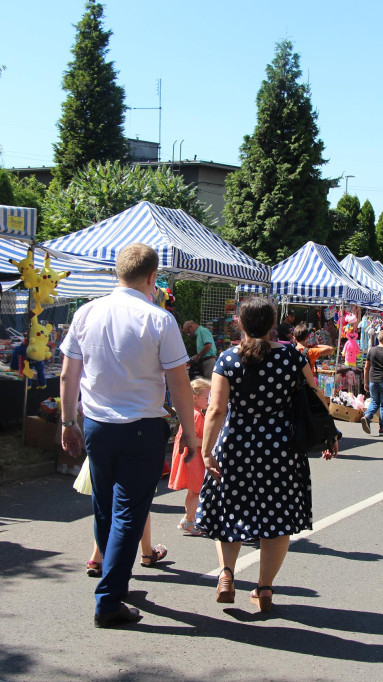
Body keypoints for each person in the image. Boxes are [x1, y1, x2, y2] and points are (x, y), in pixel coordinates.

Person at [59, 243, 198, 629]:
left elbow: (69, 373)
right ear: (153, 278)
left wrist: (68, 422)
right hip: (141, 427)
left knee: (105, 507)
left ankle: (113, 578)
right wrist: (188, 430)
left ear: (117, 274)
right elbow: (179, 382)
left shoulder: (86, 312)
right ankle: (109, 598)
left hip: (97, 426)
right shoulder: (159, 319)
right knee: (129, 511)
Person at [195, 297, 337, 612]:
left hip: (236, 446)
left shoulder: (227, 359)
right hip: (281, 448)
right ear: (273, 324)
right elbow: (314, 398)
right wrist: (329, 435)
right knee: (277, 519)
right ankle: (265, 588)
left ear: (240, 323)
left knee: (230, 510)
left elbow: (216, 409)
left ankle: (227, 575)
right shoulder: (292, 357)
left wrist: (206, 450)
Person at [169, 377, 211, 536]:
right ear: (195, 398)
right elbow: (193, 439)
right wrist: (209, 442)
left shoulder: (192, 413)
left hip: (188, 457)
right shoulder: (197, 415)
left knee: (193, 491)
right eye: (207, 397)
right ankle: (188, 520)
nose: (209, 400)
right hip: (192, 458)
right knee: (198, 489)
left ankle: (188, 518)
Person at [360, 329, 383, 437]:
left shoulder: (371, 350)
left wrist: (366, 382)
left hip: (373, 380)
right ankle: (382, 428)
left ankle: (367, 416)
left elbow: (366, 367)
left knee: (375, 401)